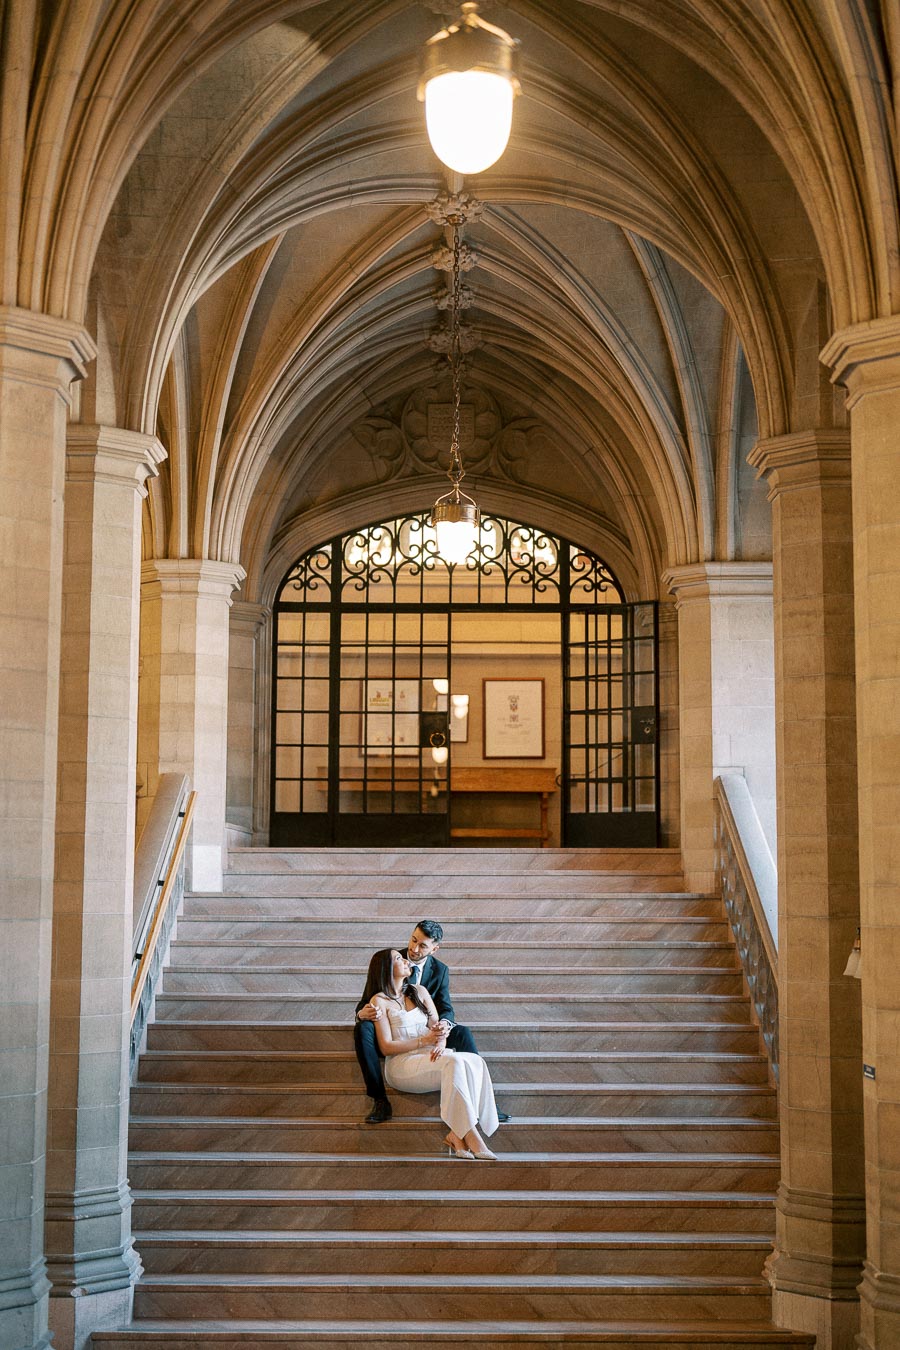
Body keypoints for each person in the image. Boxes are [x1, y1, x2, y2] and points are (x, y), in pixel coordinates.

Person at [354, 918, 510, 1125]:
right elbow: (368, 1000)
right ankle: (379, 1099)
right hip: (390, 1028)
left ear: (434, 949)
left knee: (462, 1032)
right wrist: (360, 1014)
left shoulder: (440, 971)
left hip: (423, 1025)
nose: (414, 949)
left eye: (422, 945)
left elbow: (445, 1007)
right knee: (362, 1028)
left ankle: (484, 1100)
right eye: (413, 940)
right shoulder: (390, 960)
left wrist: (443, 1026)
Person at [360, 947, 499, 1158]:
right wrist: (424, 1041)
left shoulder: (420, 991)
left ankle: (456, 1134)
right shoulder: (379, 1001)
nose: (406, 960)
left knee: (474, 1060)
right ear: (386, 968)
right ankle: (472, 1136)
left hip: (430, 1057)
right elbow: (386, 1046)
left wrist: (441, 1041)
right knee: (454, 1062)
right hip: (402, 1065)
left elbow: (437, 1026)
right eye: (399, 958)